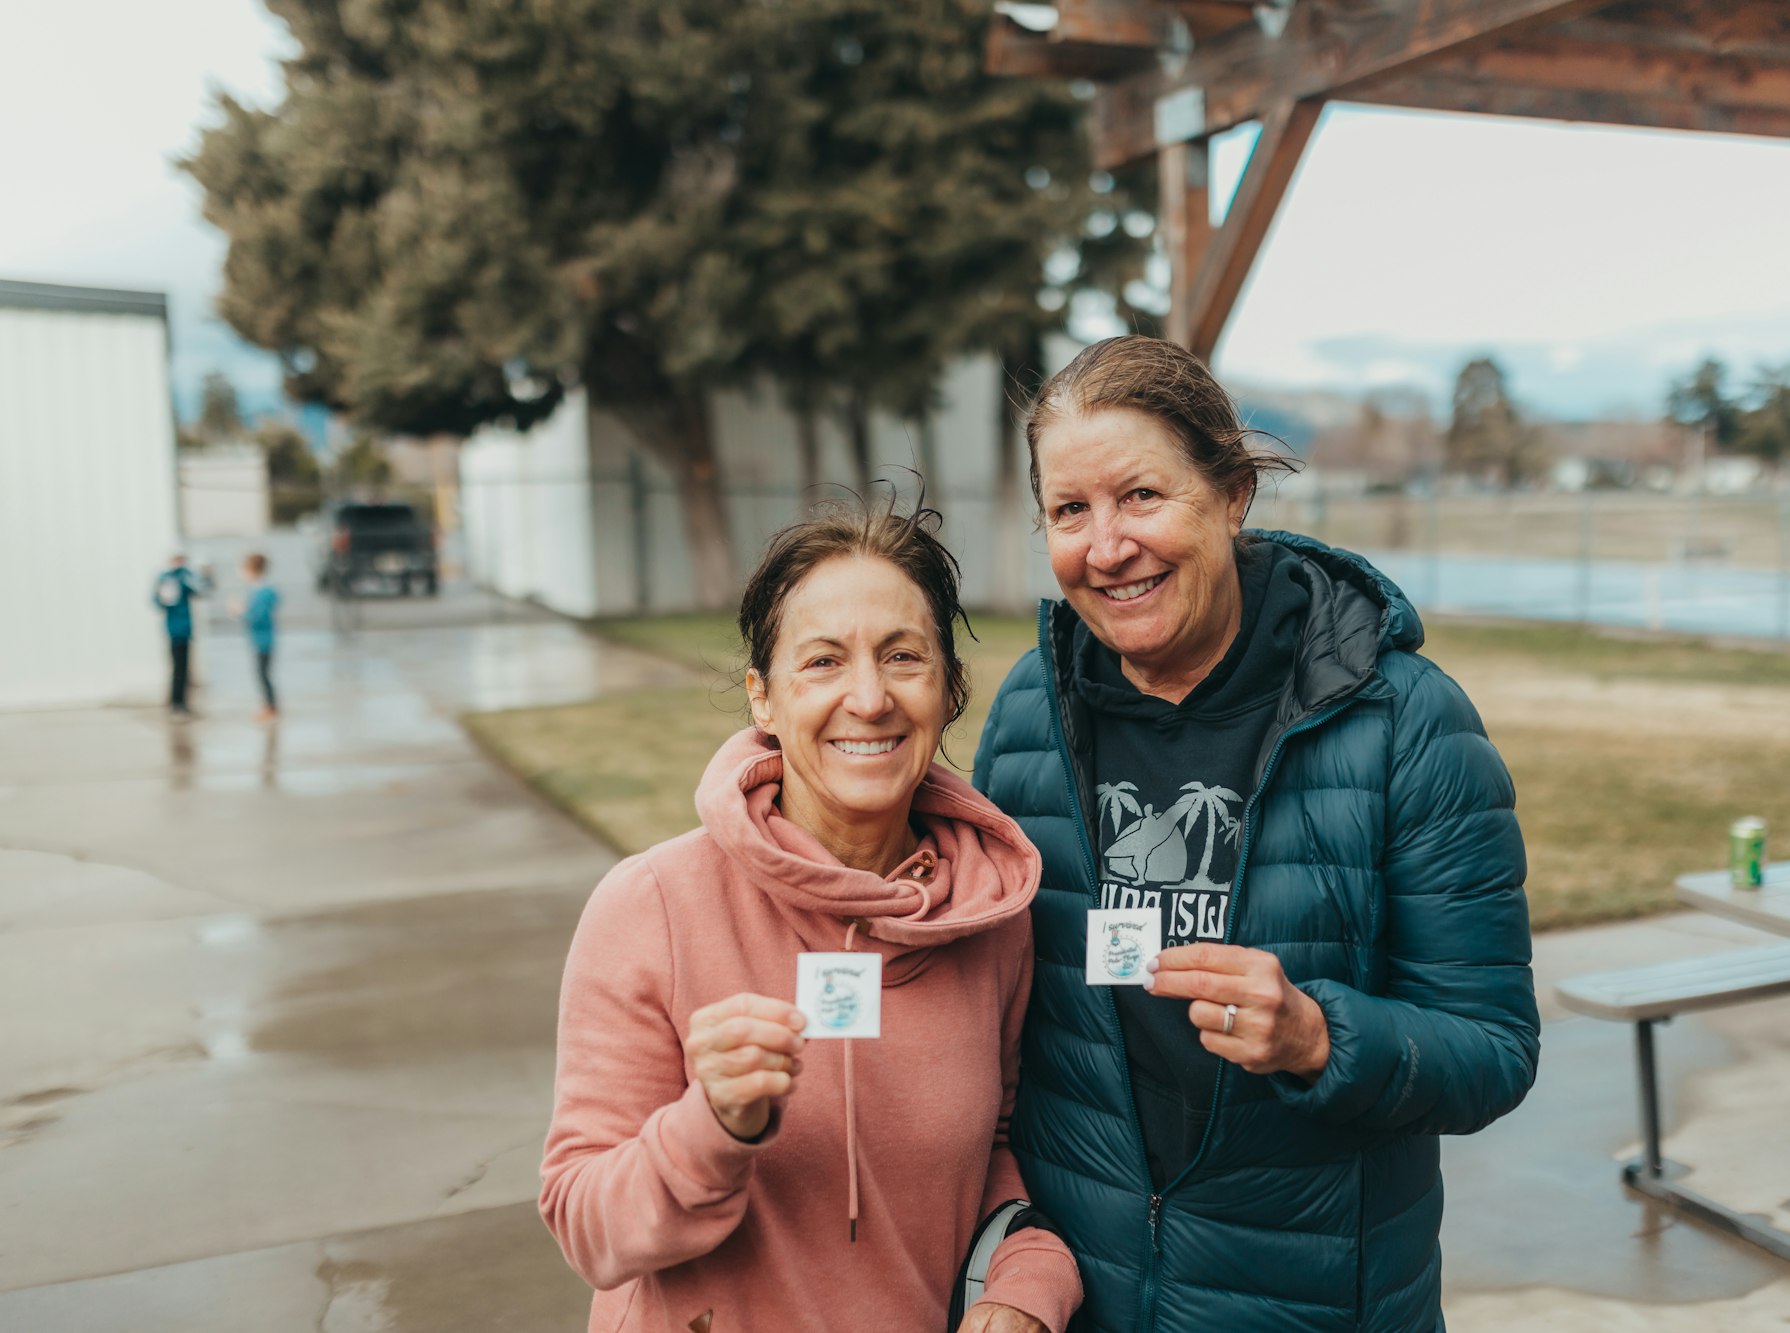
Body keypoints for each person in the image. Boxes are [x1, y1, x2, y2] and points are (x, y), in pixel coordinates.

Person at [972, 335, 1539, 1331]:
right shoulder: (1029, 710)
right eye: (1069, 509)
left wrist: (1319, 1038)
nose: (1104, 546)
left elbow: (1492, 1046)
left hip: (1310, 1298)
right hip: (1082, 1295)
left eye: (1140, 496)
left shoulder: (1399, 719)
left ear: (1230, 493)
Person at [540, 500, 1081, 1333]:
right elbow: (588, 1231)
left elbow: (995, 1156)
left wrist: (1028, 1282)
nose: (868, 698)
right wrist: (711, 1124)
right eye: (823, 661)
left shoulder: (993, 917)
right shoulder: (650, 906)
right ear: (762, 697)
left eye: (903, 656)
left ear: (948, 688)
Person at [152, 553, 209, 719]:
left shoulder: (186, 577)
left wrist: (206, 575)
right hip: (174, 631)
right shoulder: (166, 579)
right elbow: (158, 601)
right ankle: (176, 704)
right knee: (177, 669)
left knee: (185, 670)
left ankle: (182, 704)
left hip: (185, 631)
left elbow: (201, 590)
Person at [237, 552, 281, 721]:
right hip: (262, 639)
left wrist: (241, 612)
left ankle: (270, 707)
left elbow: (257, 617)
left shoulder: (262, 592)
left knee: (263, 675)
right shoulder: (260, 590)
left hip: (264, 640)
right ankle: (268, 706)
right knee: (263, 674)